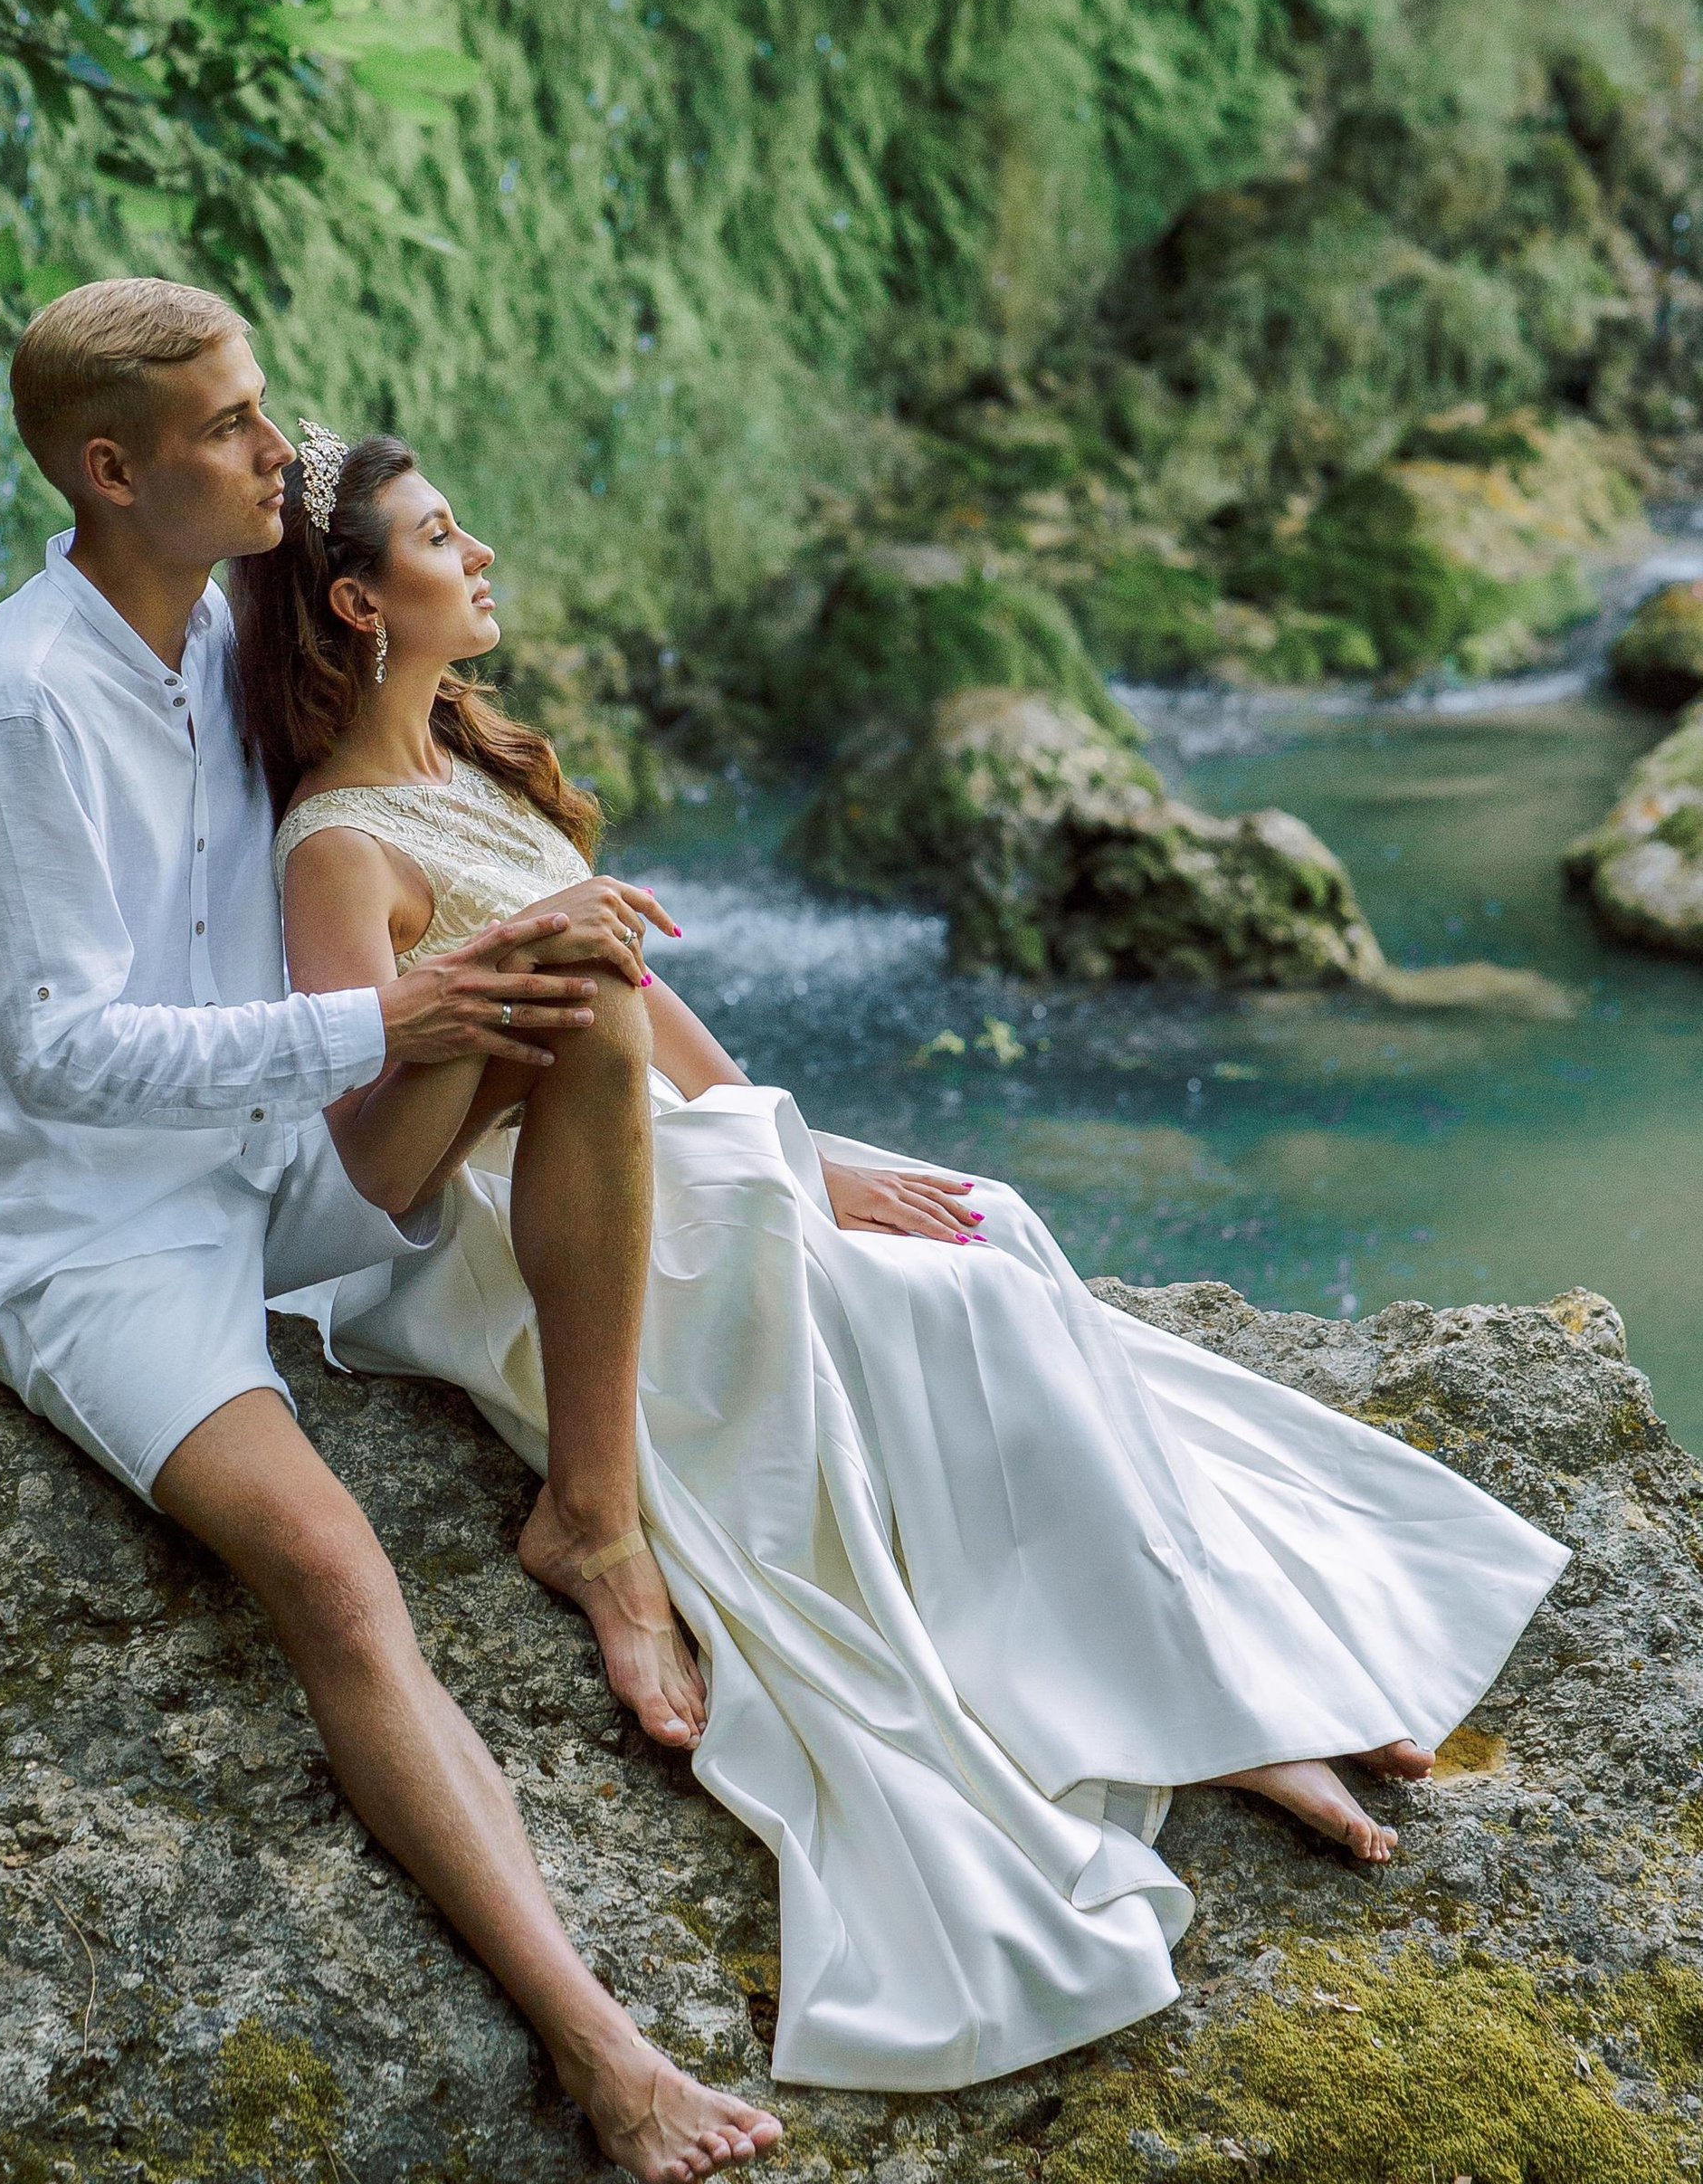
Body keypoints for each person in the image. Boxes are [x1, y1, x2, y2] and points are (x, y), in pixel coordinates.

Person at [241, 423, 1575, 2092]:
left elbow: (659, 1021)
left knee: (977, 1227)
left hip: (649, 1148)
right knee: (901, 1310)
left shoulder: (480, 765)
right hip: (510, 1226)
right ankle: (1196, 1711)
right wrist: (504, 1003)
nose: (482, 553)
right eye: (444, 539)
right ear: (359, 602)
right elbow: (368, 1165)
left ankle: (1197, 1668)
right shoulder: (340, 845)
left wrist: (811, 1160)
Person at [0, 278, 783, 2182]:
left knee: (575, 993)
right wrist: (390, 1016)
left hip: (263, 1160)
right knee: (335, 1569)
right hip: (78, 1235)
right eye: (230, 426)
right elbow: (54, 1058)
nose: (276, 449)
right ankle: (608, 2056)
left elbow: (384, 715)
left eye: (264, 407)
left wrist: (497, 931)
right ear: (111, 470)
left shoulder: (210, 624)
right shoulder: (23, 705)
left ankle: (591, 1513)